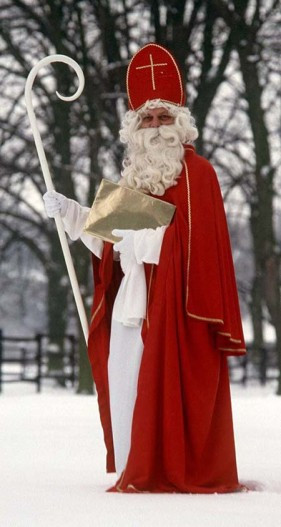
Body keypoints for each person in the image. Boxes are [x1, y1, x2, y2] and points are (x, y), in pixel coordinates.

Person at [44, 43, 246, 493]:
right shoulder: (134, 178)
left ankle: (171, 466)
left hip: (177, 309)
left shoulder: (201, 175)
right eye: (146, 119)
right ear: (134, 128)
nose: (155, 127)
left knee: (162, 385)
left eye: (163, 117)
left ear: (180, 123)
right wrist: (74, 213)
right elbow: (111, 241)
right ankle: (138, 461)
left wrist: (142, 234)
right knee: (126, 377)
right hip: (132, 303)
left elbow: (199, 250)